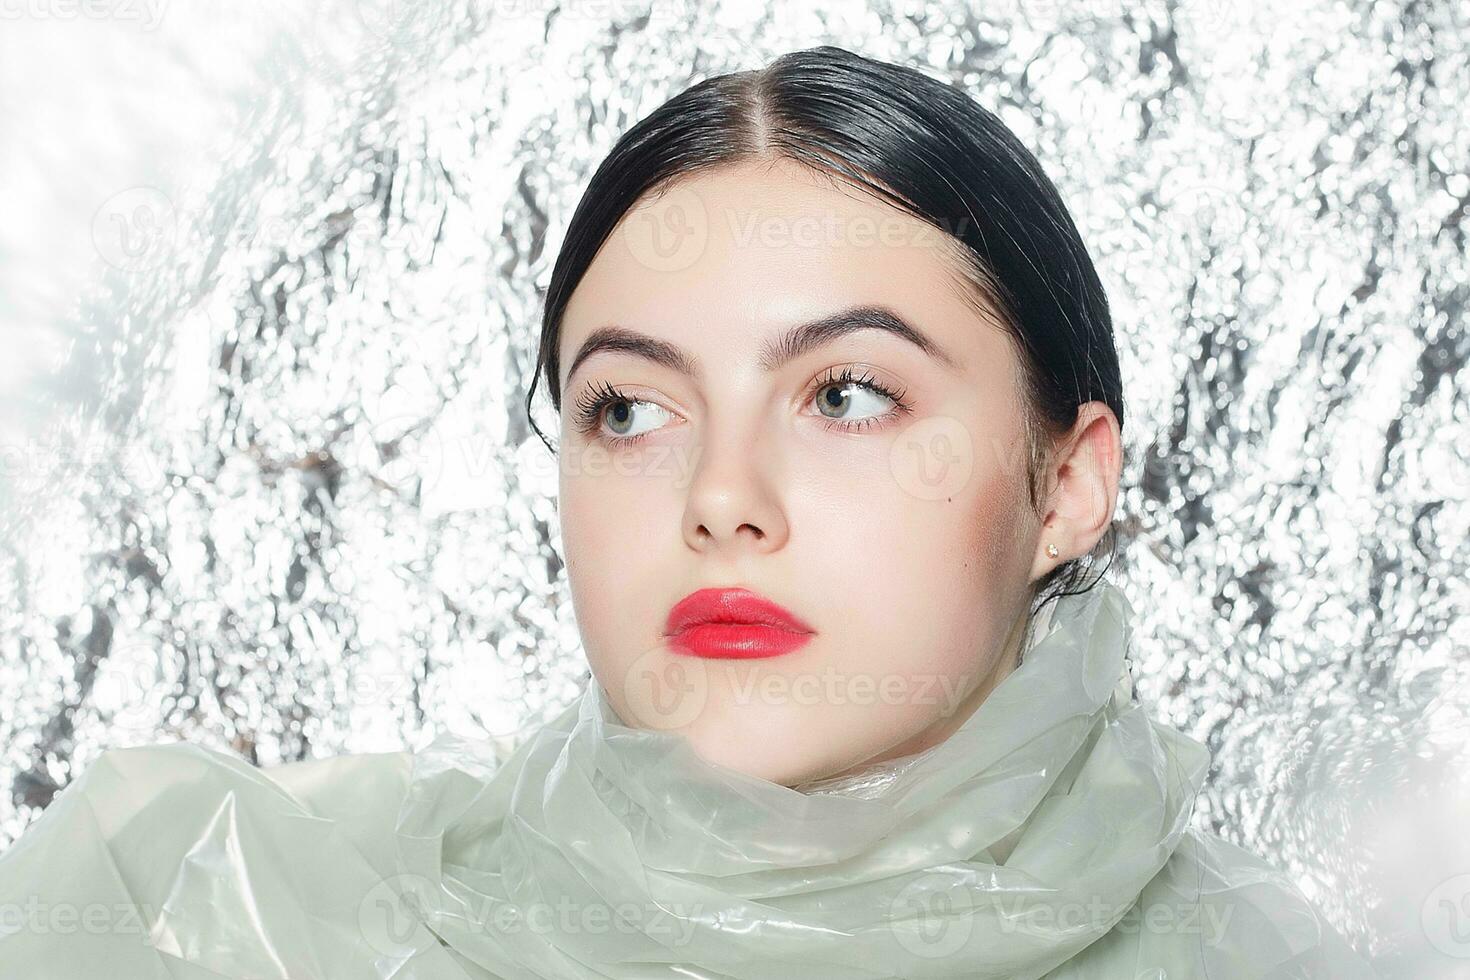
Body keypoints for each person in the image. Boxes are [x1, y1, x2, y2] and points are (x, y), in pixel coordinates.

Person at [0, 44, 1378, 978]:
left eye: (844, 395)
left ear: (1065, 485)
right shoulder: (214, 914)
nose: (720, 499)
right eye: (629, 410)